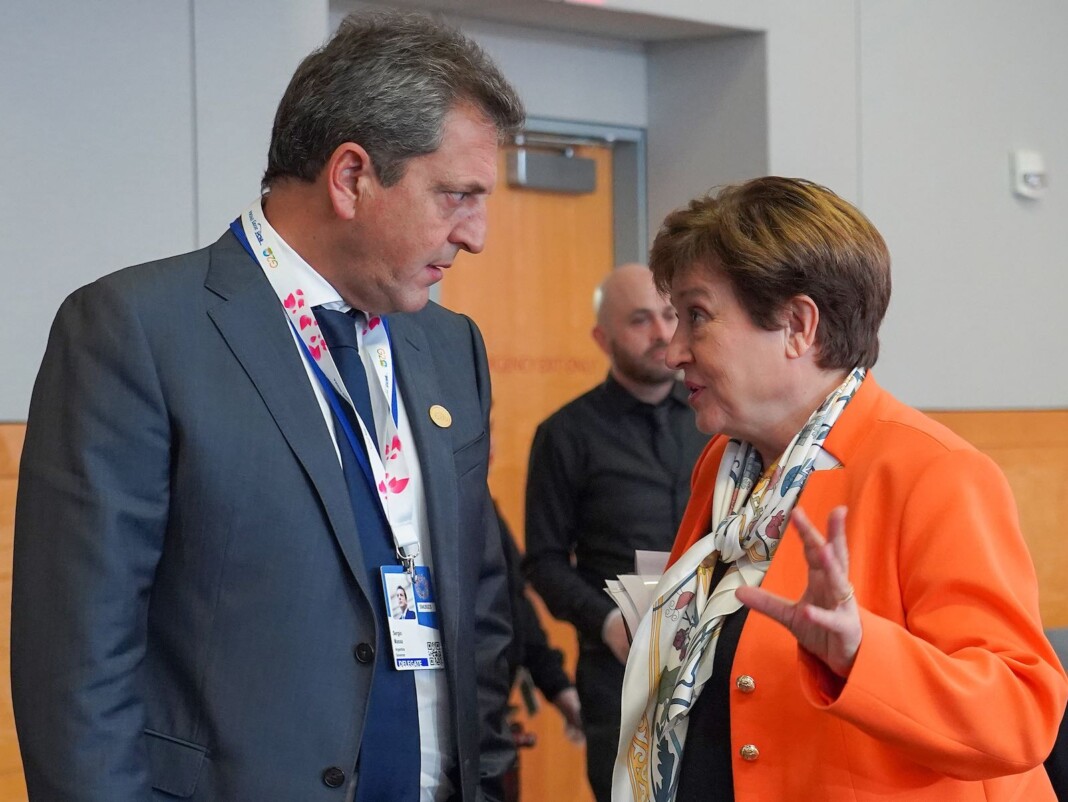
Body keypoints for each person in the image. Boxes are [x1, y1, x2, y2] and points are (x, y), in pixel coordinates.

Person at [12, 11, 524, 802]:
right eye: (456, 196)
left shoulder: (450, 349)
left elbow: (480, 614)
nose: (478, 235)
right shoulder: (138, 331)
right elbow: (77, 666)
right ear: (352, 177)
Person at [614, 176, 1068, 801]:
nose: (674, 353)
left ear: (798, 326)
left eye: (696, 316)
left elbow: (1019, 715)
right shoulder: (723, 463)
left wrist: (861, 655)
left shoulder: (933, 471)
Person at [523, 263, 708, 802]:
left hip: (712, 656)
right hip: (618, 669)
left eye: (670, 317)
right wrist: (605, 623)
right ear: (603, 339)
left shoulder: (716, 420)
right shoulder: (564, 434)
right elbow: (545, 562)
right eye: (639, 320)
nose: (660, 334)